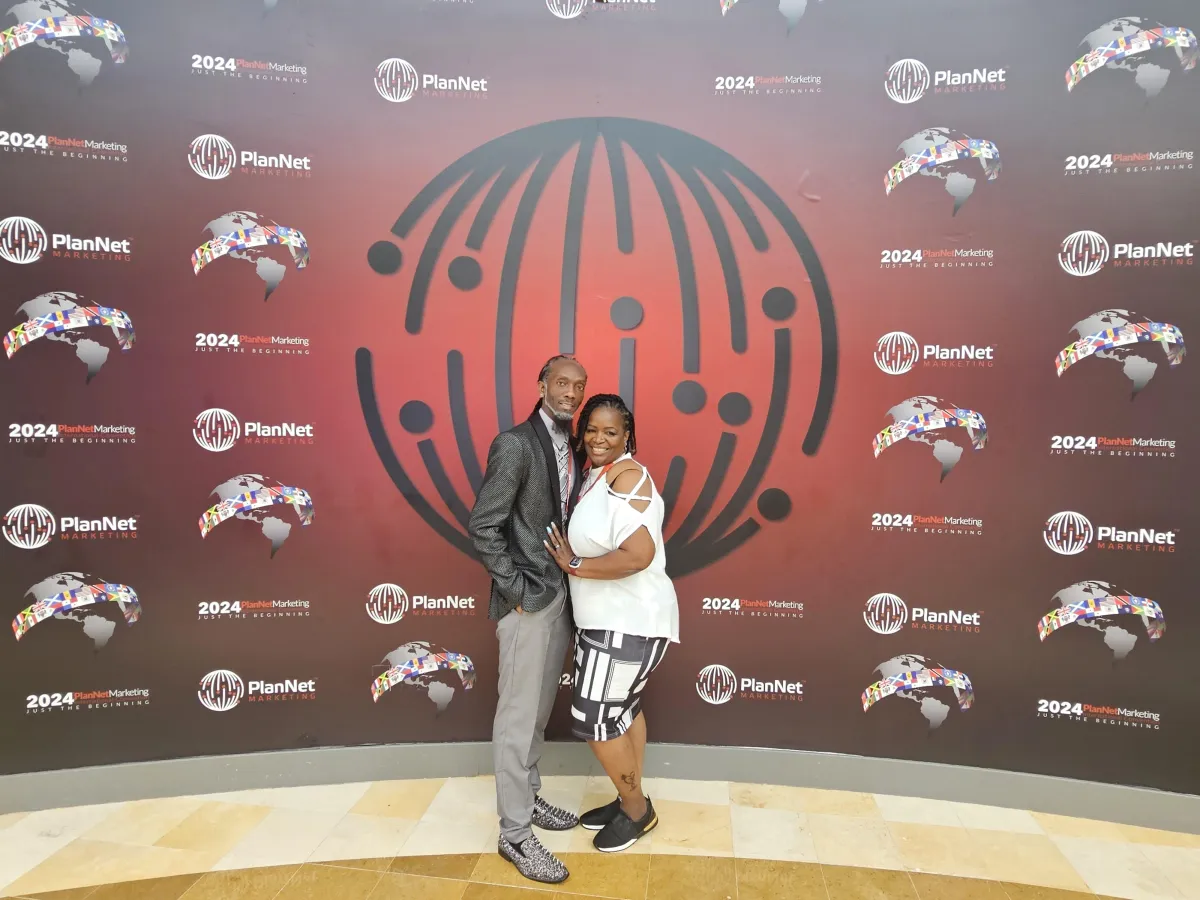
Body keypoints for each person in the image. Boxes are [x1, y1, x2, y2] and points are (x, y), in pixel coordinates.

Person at [468, 355, 589, 885]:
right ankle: (515, 833)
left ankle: (529, 796)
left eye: (579, 386)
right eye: (561, 382)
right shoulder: (515, 444)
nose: (571, 393)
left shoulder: (575, 447)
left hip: (563, 598)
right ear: (541, 386)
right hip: (529, 602)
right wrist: (517, 591)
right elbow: (484, 525)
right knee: (517, 718)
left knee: (537, 711)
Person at [543, 393, 679, 853]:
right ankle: (628, 801)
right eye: (592, 430)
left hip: (627, 623)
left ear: (627, 436)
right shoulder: (599, 476)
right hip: (608, 622)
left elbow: (638, 555)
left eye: (611, 432)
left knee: (596, 720)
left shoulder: (628, 477)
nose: (599, 439)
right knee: (624, 712)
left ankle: (637, 810)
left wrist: (575, 564)